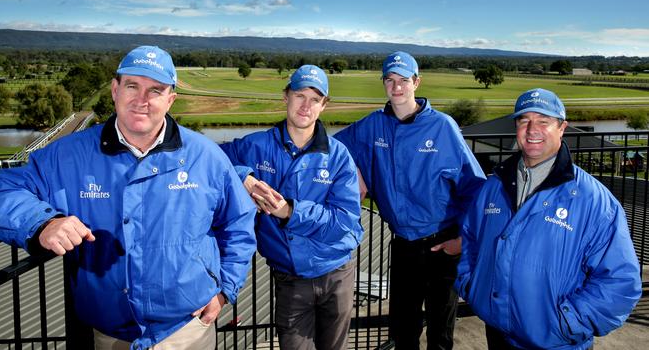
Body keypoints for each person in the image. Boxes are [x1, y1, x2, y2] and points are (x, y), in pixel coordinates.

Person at [0, 45, 257, 349]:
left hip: (188, 329)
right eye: (132, 85)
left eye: (156, 90)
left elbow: (238, 224)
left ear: (170, 100)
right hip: (108, 334)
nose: (142, 100)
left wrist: (225, 289)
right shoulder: (69, 155)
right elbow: (5, 187)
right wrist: (42, 223)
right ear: (114, 90)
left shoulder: (206, 156)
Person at [455, 88, 642, 349]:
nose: (533, 129)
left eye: (544, 121)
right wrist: (473, 286)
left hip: (555, 342)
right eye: (524, 120)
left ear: (562, 127)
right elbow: (471, 239)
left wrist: (566, 324)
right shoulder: (493, 187)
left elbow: (620, 283)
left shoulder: (594, 201)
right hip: (496, 332)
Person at [334, 51, 486, 349]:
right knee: (403, 331)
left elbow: (475, 188)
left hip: (443, 244)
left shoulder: (442, 126)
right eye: (390, 80)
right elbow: (332, 146)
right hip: (403, 244)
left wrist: (462, 241)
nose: (397, 87)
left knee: (440, 333)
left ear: (417, 82)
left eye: (404, 80)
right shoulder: (373, 125)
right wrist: (357, 173)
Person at [220, 64, 363, 350]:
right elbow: (209, 157)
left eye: (315, 99)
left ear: (324, 105)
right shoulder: (257, 146)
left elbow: (344, 222)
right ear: (286, 96)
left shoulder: (337, 157)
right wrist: (243, 177)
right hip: (289, 279)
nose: (305, 106)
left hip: (337, 273)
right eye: (300, 95)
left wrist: (290, 211)